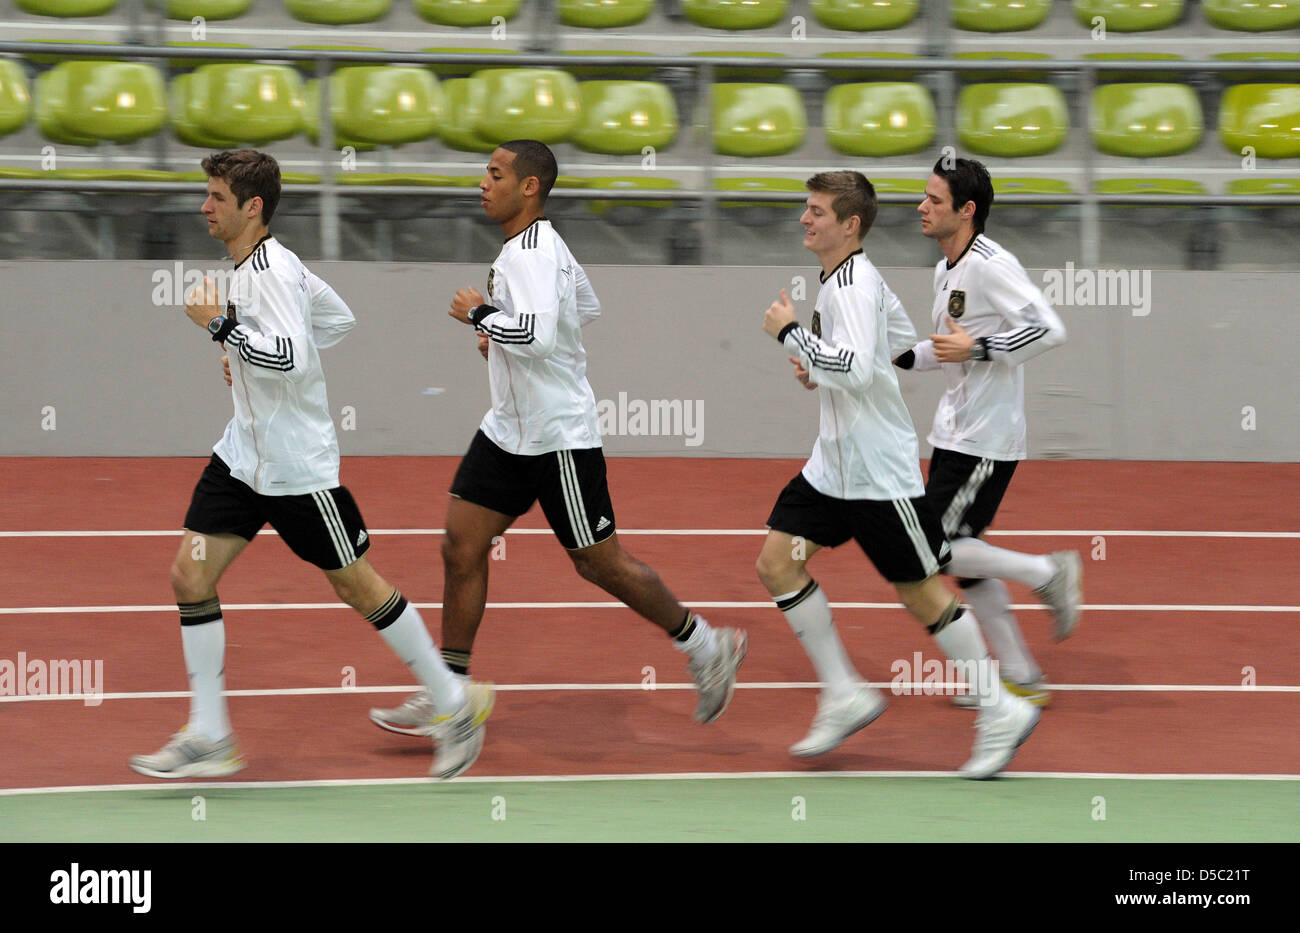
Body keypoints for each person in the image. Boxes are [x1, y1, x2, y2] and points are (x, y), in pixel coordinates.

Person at [129, 150, 492, 782]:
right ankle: (211, 734)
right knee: (190, 578)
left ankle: (455, 703)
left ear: (253, 207)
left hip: (297, 467)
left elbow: (293, 357)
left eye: (216, 196)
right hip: (243, 456)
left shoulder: (271, 272)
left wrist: (222, 329)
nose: (204, 207)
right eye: (207, 194)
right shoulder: (264, 266)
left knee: (357, 585)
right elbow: (335, 321)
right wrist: (247, 354)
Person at [369, 140, 747, 736]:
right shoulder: (536, 247)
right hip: (508, 430)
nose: (482, 184)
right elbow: (583, 309)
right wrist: (506, 333)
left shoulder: (534, 253)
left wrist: (482, 316)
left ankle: (705, 644)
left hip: (557, 435)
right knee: (460, 546)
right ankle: (451, 692)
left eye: (494, 175)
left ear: (529, 187)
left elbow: (545, 337)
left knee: (599, 563)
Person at [754, 170, 1039, 779]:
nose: (805, 219)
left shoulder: (853, 285)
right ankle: (844, 693)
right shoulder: (844, 280)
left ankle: (1000, 709)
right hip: (833, 466)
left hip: (878, 473)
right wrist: (820, 367)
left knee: (923, 593)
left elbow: (857, 371)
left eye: (817, 212)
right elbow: (893, 347)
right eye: (806, 210)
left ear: (850, 225)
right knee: (778, 561)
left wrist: (797, 338)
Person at [898, 156, 1082, 708]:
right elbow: (945, 347)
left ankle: (1047, 573)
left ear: (967, 210)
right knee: (965, 557)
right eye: (924, 197)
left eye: (934, 199)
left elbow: (1050, 330)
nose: (921, 207)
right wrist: (886, 360)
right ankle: (1022, 675)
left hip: (986, 438)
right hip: (955, 434)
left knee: (933, 550)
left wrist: (980, 348)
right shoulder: (944, 270)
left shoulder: (992, 264)